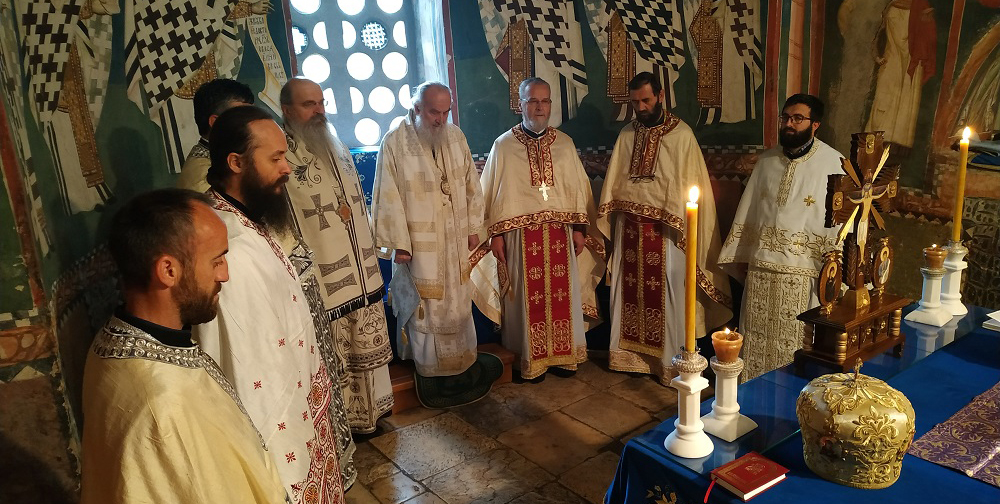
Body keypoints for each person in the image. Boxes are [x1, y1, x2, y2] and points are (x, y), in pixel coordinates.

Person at [81, 189, 287, 503]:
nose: (225, 274)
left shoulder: (115, 338)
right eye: (216, 260)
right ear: (168, 270)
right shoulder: (164, 403)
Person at [192, 105, 350, 502]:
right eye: (276, 158)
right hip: (277, 423)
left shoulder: (244, 219)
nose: (288, 167)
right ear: (236, 162)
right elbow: (248, 366)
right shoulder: (228, 245)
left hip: (299, 402)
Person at [597, 72, 733, 384]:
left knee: (670, 293)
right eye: (635, 103)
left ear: (660, 96)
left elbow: (686, 185)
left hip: (668, 235)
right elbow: (615, 188)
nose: (641, 108)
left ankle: (666, 364)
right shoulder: (626, 135)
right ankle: (629, 358)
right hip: (629, 231)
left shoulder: (681, 135)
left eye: (646, 100)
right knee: (627, 291)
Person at [472, 77, 604, 381]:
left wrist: (580, 229)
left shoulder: (565, 144)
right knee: (524, 299)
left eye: (544, 101)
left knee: (562, 296)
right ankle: (531, 360)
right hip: (520, 239)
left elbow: (577, 191)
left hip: (560, 236)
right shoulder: (503, 145)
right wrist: (496, 236)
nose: (539, 107)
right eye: (532, 101)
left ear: (551, 105)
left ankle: (563, 356)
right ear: (520, 104)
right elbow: (492, 194)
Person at [280, 78, 393, 432]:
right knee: (338, 355)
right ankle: (346, 427)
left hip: (360, 270)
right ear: (286, 110)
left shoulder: (334, 144)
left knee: (366, 348)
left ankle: (374, 414)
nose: (318, 111)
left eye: (320, 102)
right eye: (308, 104)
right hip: (327, 279)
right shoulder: (283, 155)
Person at [718, 94, 843, 381]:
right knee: (755, 342)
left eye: (798, 118)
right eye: (786, 117)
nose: (789, 123)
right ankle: (747, 397)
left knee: (796, 345)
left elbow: (839, 223)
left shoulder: (834, 163)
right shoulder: (766, 161)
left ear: (815, 125)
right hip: (762, 269)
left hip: (805, 273)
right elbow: (750, 212)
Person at [371, 82, 485, 377]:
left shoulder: (455, 136)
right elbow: (387, 195)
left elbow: (472, 184)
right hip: (419, 246)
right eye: (435, 112)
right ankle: (429, 366)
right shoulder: (395, 141)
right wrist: (399, 243)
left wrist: (473, 227)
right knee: (427, 300)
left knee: (456, 299)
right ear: (417, 108)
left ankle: (462, 360)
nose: (441, 120)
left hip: (455, 237)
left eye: (447, 112)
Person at [176, 78, 255, 192]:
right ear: (216, 122)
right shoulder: (202, 178)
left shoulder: (222, 156)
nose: (251, 124)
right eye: (242, 116)